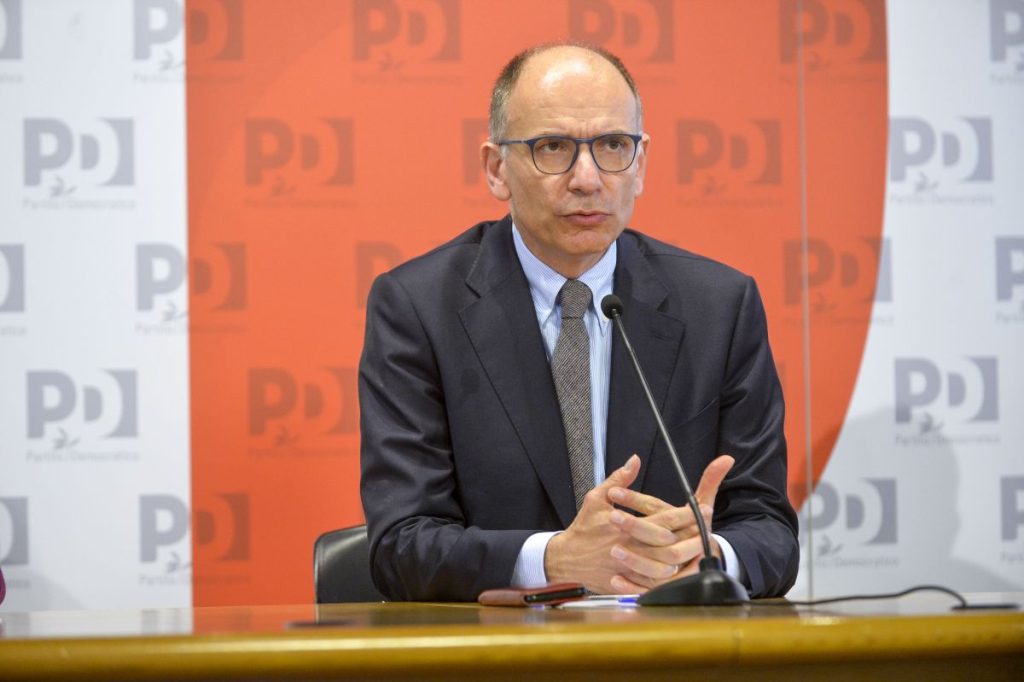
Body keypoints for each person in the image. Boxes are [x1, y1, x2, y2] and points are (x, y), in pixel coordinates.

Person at [359, 43, 799, 601]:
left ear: (640, 164)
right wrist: (553, 560)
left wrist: (707, 559)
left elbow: (771, 532)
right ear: (497, 169)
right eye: (553, 147)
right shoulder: (419, 308)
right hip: (504, 643)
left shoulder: (719, 307)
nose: (587, 179)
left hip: (666, 640)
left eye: (613, 145)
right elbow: (400, 545)